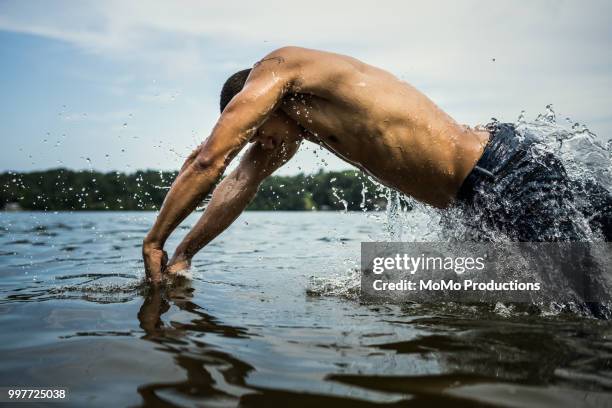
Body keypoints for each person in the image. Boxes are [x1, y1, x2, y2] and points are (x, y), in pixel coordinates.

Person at [142, 46, 611, 284]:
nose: (262, 146)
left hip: (502, 174)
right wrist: (185, 254)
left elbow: (208, 160)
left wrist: (155, 238)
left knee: (589, 304)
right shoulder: (299, 126)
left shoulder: (281, 68)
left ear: (258, 106)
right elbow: (238, 180)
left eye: (259, 133)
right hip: (475, 204)